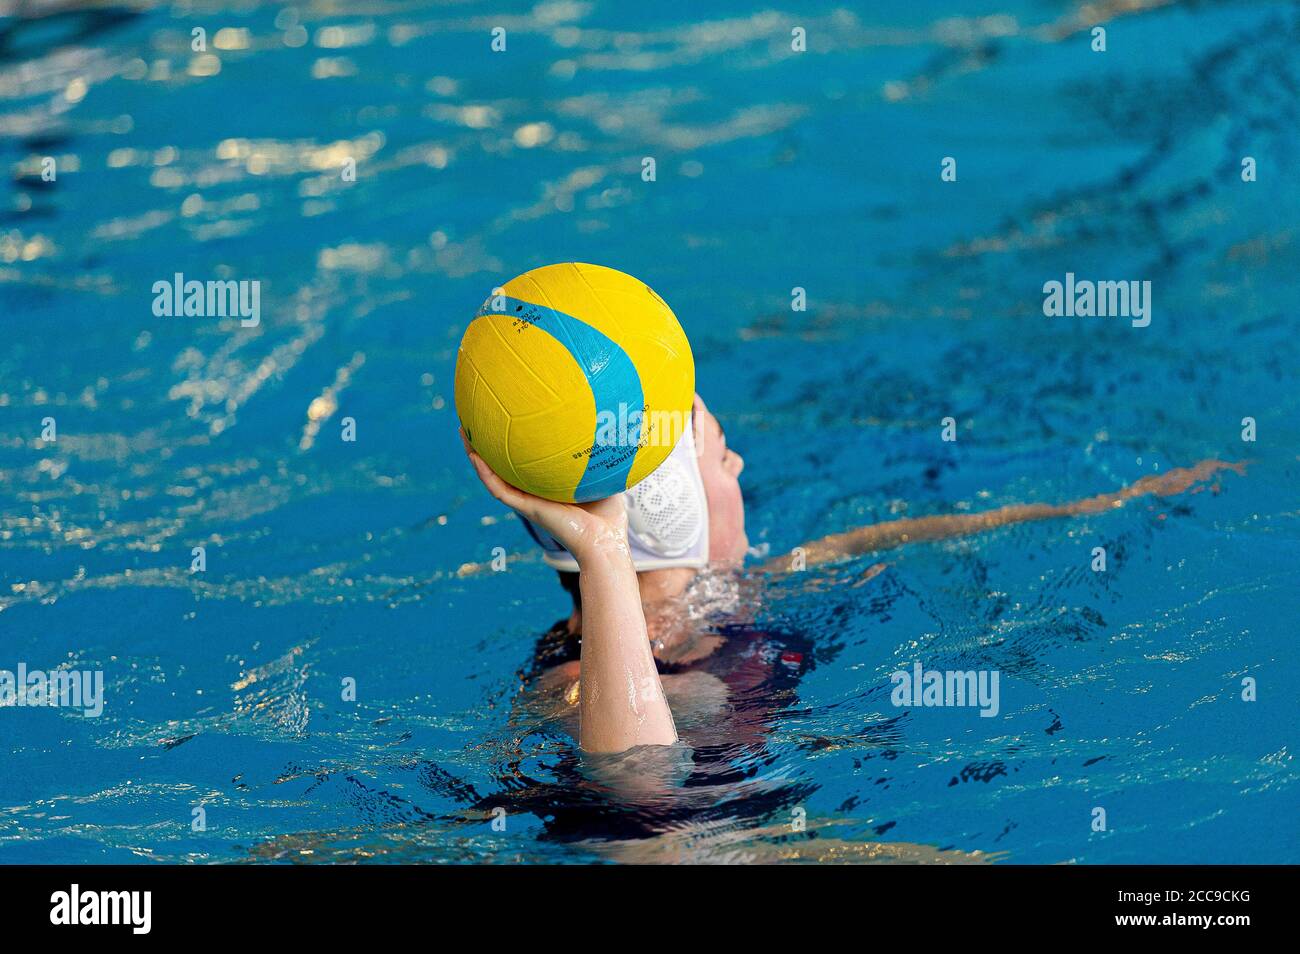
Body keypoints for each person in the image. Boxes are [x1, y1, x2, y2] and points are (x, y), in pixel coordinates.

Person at [462, 395, 1243, 755]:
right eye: (718, 452)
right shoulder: (570, 679)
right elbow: (638, 783)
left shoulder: (762, 581)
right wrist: (606, 553)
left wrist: (1119, 503)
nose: (737, 461)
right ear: (669, 511)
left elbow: (929, 530)